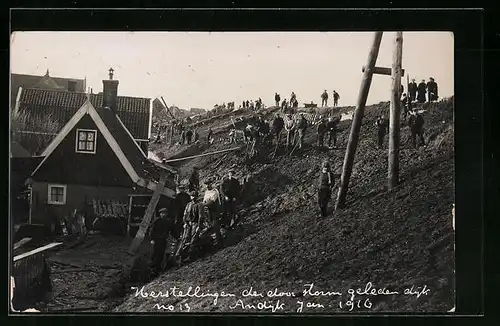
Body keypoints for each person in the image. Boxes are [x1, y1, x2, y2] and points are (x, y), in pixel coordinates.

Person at [149, 207, 176, 275]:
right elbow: (151, 231)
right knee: (155, 253)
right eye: (162, 213)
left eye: (165, 213)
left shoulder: (168, 222)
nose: (163, 215)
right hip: (156, 239)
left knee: (161, 254)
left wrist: (176, 237)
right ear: (160, 214)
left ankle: (158, 268)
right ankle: (152, 268)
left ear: (167, 214)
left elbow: (172, 230)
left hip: (163, 239)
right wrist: (152, 239)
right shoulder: (156, 221)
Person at [202, 178, 223, 246]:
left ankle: (219, 239)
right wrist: (204, 204)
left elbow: (212, 201)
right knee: (211, 224)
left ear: (211, 184)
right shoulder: (206, 192)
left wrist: (204, 204)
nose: (207, 186)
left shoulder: (215, 191)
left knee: (215, 224)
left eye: (209, 184)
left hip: (215, 210)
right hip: (209, 210)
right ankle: (215, 237)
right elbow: (204, 200)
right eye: (206, 184)